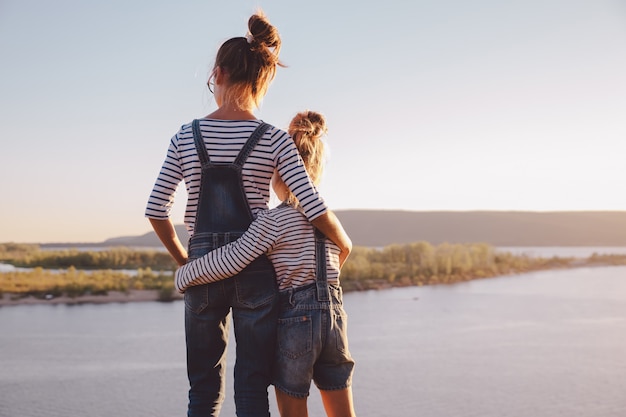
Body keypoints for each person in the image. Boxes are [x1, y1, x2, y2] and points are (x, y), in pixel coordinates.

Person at [144, 11, 352, 417]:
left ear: (217, 74)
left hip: (204, 263)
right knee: (253, 386)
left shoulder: (185, 135)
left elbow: (155, 210)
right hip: (256, 265)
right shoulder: (274, 138)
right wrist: (343, 242)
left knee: (203, 391)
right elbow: (309, 202)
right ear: (262, 80)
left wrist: (186, 261)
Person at [175, 111, 357, 417]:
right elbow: (342, 252)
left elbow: (230, 260)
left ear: (280, 170)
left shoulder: (273, 220)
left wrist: (185, 274)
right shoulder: (327, 219)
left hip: (296, 322)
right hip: (335, 318)